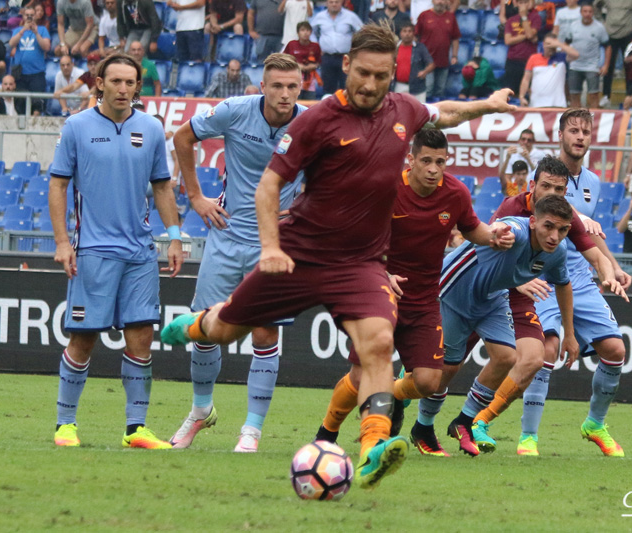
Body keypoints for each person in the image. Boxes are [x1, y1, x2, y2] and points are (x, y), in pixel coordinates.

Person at [161, 24, 518, 489]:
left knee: (377, 344)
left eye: (382, 76)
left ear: (393, 75)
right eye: (363, 73)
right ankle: (193, 325)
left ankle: (372, 449)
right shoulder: (316, 120)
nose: (370, 85)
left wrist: (486, 105)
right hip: (300, 255)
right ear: (346, 65)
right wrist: (270, 247)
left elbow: (443, 114)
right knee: (227, 329)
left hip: (360, 264)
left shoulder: (405, 110)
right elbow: (270, 184)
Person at [313, 128, 513, 451]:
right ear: (411, 160)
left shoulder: (456, 194)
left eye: (440, 162)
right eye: (426, 161)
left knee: (428, 382)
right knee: (361, 375)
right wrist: (382, 272)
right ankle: (327, 432)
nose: (434, 169)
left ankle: (388, 394)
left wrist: (493, 235)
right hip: (377, 297)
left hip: (423, 303)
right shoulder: (386, 188)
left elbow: (472, 228)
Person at [167, 54, 306, 452]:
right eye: (276, 85)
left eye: (291, 86)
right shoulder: (234, 111)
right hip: (227, 236)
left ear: (301, 88)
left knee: (265, 332)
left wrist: (301, 208)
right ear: (262, 86)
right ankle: (200, 411)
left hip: (276, 244)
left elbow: (329, 175)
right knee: (205, 330)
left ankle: (252, 430)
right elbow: (182, 137)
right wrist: (195, 197)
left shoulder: (310, 124)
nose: (283, 93)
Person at [49, 53, 183, 449]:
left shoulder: (152, 129)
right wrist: (61, 242)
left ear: (137, 86)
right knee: (84, 337)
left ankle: (135, 429)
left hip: (141, 253)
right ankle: (65, 425)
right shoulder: (76, 127)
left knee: (140, 336)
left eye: (131, 83)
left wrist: (174, 236)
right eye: (117, 82)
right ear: (100, 84)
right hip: (93, 250)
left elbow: (162, 186)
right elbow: (58, 186)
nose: (124, 89)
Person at [416, 192, 581, 457]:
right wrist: (497, 232)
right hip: (455, 291)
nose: (554, 235)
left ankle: (464, 421)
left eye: (562, 230)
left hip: (492, 297)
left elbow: (563, 285)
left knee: (506, 357)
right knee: (446, 369)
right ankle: (422, 427)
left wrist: (570, 334)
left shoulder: (557, 253)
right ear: (533, 222)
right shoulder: (516, 230)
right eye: (548, 226)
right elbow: (502, 228)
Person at [512, 108, 632, 457]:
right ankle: (528, 437)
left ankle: (595, 423)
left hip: (581, 276)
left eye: (585, 131)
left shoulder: (594, 182)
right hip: (544, 274)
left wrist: (612, 265)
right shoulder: (546, 178)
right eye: (573, 131)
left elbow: (590, 233)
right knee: (547, 350)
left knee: (615, 350)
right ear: (561, 135)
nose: (580, 137)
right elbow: (548, 212)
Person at [594, 0, 632, 108]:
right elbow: (596, 5)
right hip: (610, 33)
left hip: (627, 33)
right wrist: (601, 20)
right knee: (608, 66)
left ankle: (630, 96)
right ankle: (606, 96)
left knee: (629, 67)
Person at [559, 3, 609, 109]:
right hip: (575, 65)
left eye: (590, 12)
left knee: (594, 95)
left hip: (592, 66)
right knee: (574, 95)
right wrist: (568, 56)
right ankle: (575, 121)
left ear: (593, 13)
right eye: (585, 11)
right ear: (581, 13)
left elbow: (608, 46)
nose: (587, 14)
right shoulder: (573, 26)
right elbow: (566, 43)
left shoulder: (599, 27)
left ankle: (594, 120)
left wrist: (606, 65)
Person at [309, 0, 363, 95]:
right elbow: (311, 32)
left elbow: (361, 32)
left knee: (346, 85)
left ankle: (346, 108)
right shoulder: (319, 17)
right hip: (327, 57)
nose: (334, 4)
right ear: (326, 3)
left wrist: (355, 48)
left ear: (341, 2)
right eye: (331, 2)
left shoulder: (350, 16)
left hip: (345, 57)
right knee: (327, 87)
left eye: (336, 2)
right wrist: (316, 46)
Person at [9, 6, 51, 114]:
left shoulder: (42, 30)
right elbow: (11, 44)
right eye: (27, 15)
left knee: (37, 103)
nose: (29, 17)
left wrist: (36, 33)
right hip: (21, 74)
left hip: (37, 73)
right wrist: (23, 30)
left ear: (36, 16)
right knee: (20, 102)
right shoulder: (18, 30)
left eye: (31, 15)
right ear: (23, 16)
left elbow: (46, 47)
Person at [519, 32, 578, 108]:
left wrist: (559, 44)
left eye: (552, 45)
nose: (550, 47)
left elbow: (576, 55)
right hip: (537, 103)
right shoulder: (534, 58)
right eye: (548, 44)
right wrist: (521, 97)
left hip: (557, 104)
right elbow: (526, 79)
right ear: (543, 44)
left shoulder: (561, 57)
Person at [415, 0, 460, 100]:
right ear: (433, 1)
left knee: (440, 90)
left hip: (443, 61)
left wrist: (454, 55)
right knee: (428, 89)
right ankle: (425, 114)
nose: (440, 2)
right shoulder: (424, 15)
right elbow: (416, 36)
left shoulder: (451, 17)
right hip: (426, 62)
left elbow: (455, 39)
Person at [503, 0, 541, 97]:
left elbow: (529, 34)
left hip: (529, 60)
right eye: (520, 2)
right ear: (516, 4)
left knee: (527, 92)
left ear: (530, 3)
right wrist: (527, 36)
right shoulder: (511, 20)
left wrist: (524, 17)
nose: (523, 5)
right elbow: (508, 40)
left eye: (525, 2)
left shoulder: (535, 17)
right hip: (513, 60)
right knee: (511, 92)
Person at [393, 22, 433, 102]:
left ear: (413, 33)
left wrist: (425, 72)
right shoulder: (394, 48)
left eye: (409, 31)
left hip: (417, 88)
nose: (407, 34)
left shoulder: (420, 48)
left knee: (420, 111)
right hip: (398, 86)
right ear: (400, 33)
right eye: (404, 31)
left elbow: (431, 64)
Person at [284, 21, 321, 100]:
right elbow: (284, 60)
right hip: (294, 78)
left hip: (310, 80)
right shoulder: (292, 44)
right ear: (298, 33)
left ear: (311, 32)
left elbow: (319, 62)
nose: (305, 33)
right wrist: (296, 65)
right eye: (303, 30)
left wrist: (313, 66)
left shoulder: (315, 46)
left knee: (310, 105)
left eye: (308, 30)